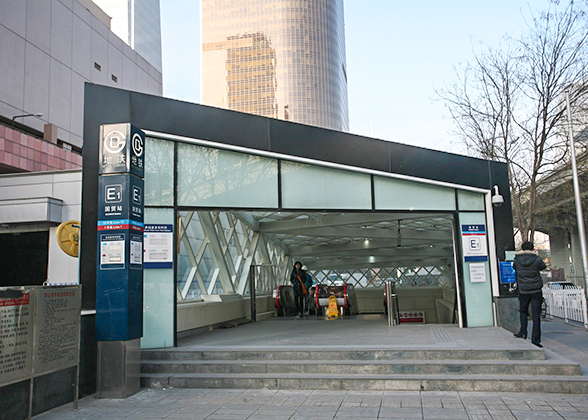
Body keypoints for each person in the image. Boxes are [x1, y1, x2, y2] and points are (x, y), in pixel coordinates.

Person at [513, 241, 547, 348]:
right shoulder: (537, 259)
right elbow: (543, 266)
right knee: (536, 315)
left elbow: (515, 268)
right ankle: (536, 340)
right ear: (532, 249)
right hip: (536, 290)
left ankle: (523, 332)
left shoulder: (517, 260)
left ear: (522, 249)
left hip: (523, 290)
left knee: (523, 311)